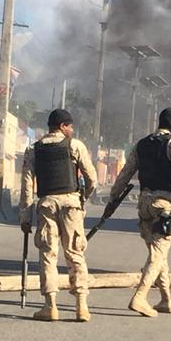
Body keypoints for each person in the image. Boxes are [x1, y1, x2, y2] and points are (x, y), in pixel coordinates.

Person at [109, 108, 171, 318]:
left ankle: (166, 299)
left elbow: (126, 173)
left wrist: (114, 196)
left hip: (144, 205)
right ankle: (140, 297)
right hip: (164, 204)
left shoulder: (142, 144)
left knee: (159, 255)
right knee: (158, 254)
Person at [19, 109, 98, 322]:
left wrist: (25, 217)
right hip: (71, 203)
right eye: (70, 127)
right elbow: (92, 178)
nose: (72, 131)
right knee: (75, 254)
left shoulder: (33, 150)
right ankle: (81, 306)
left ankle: (50, 306)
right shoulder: (75, 145)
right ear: (62, 126)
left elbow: (27, 187)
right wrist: (82, 198)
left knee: (48, 255)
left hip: (47, 204)